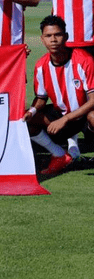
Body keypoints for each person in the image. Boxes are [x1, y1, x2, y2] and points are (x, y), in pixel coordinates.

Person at [23, 15, 94, 175]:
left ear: (66, 36)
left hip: (83, 115)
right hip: (62, 114)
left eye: (58, 35)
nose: (53, 40)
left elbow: (93, 101)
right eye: (48, 36)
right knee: (27, 120)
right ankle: (59, 155)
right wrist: (31, 112)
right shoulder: (41, 66)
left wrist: (65, 119)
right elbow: (41, 98)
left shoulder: (84, 60)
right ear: (42, 39)